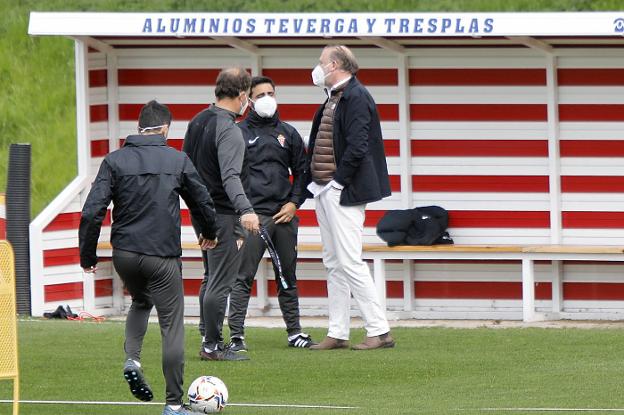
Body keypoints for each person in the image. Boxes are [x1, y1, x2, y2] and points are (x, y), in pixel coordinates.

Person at [79, 100, 218, 415]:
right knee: (172, 325)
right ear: (166, 128)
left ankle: (132, 358)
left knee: (141, 302)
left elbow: (91, 212)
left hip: (124, 255)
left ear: (138, 127)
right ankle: (173, 404)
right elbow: (202, 201)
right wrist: (208, 232)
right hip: (162, 257)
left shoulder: (114, 161)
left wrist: (87, 255)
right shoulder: (177, 159)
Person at [304, 45, 395, 351]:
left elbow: (357, 146)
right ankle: (338, 330)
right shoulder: (333, 97)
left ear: (334, 65)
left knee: (350, 261)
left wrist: (338, 184)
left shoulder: (356, 96)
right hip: (324, 189)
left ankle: (379, 331)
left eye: (320, 62)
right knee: (333, 262)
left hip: (342, 192)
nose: (317, 68)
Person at [226, 76, 316, 354]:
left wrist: (294, 204)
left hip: (283, 217)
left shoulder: (288, 133)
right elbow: (229, 176)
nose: (267, 98)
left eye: (271, 93)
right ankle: (237, 336)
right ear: (249, 100)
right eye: (261, 94)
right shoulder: (238, 132)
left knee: (287, 275)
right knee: (243, 277)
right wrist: (243, 212)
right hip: (252, 218)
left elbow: (303, 172)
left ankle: (294, 332)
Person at [183, 67, 260, 361]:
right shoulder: (229, 130)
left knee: (209, 277)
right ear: (242, 95)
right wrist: (247, 210)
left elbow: (185, 171)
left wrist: (196, 211)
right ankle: (212, 346)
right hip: (223, 216)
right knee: (220, 281)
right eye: (248, 97)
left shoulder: (197, 121)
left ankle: (207, 336)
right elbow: (230, 177)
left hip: (200, 213)